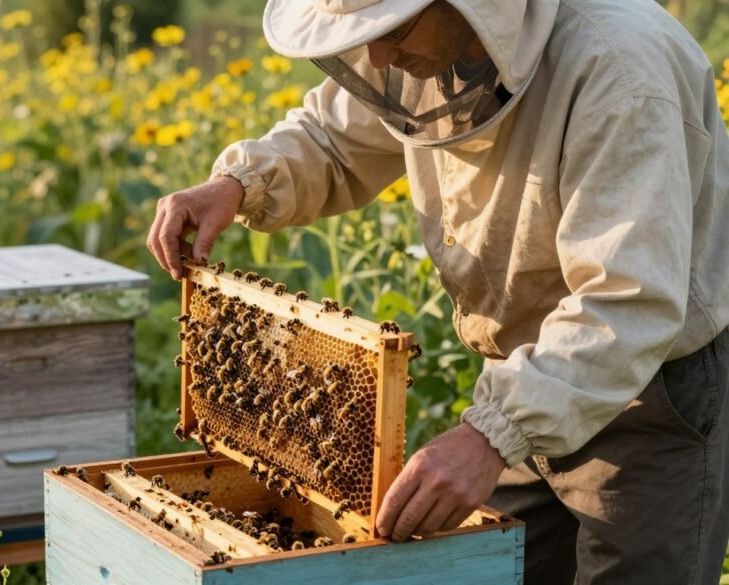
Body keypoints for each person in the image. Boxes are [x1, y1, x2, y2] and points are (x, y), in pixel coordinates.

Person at [146, 0, 729, 582]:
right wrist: (237, 183)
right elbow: (333, 137)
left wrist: (489, 437)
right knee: (489, 569)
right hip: (519, 380)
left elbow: (626, 303)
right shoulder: (434, 45)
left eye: (393, 29)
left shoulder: (619, 70)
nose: (376, 56)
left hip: (647, 396)